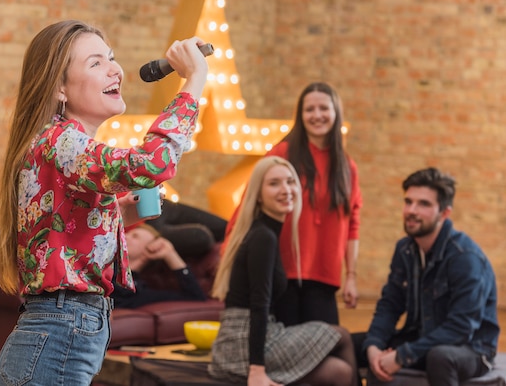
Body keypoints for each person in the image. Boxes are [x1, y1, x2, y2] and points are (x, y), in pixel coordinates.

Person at [0, 19, 208, 385]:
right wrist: (194, 80)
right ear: (59, 88)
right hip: (58, 331)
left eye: (111, 58)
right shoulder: (62, 142)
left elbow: (62, 231)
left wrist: (115, 212)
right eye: (95, 63)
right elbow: (151, 164)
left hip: (55, 332)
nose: (115, 69)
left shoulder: (57, 144)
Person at [0, 208, 218, 327]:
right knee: (41, 231)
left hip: (52, 280)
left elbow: (196, 298)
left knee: (35, 241)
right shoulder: (101, 248)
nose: (126, 234)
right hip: (35, 265)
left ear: (150, 248)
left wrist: (172, 255)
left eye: (135, 235)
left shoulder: (137, 286)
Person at [209, 156, 358, 386]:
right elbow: (259, 305)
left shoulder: (264, 231)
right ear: (257, 194)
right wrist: (256, 370)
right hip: (243, 344)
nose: (286, 190)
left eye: (290, 181)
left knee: (339, 370)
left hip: (248, 337)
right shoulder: (263, 237)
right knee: (342, 341)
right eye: (274, 183)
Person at [226, 82, 362, 326]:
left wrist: (351, 275)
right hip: (282, 273)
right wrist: (229, 252)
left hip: (324, 275)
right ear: (300, 115)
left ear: (336, 112)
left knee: (327, 348)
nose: (317, 115)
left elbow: (353, 224)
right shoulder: (282, 152)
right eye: (309, 109)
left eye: (324, 108)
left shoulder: (347, 166)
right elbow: (250, 200)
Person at [354, 167, 499, 386]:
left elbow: (461, 328)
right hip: (421, 338)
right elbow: (390, 305)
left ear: (444, 213)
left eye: (424, 204)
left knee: (440, 357)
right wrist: (374, 346)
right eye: (408, 201)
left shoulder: (464, 257)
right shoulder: (405, 250)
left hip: (470, 348)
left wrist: (403, 355)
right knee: (350, 343)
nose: (412, 210)